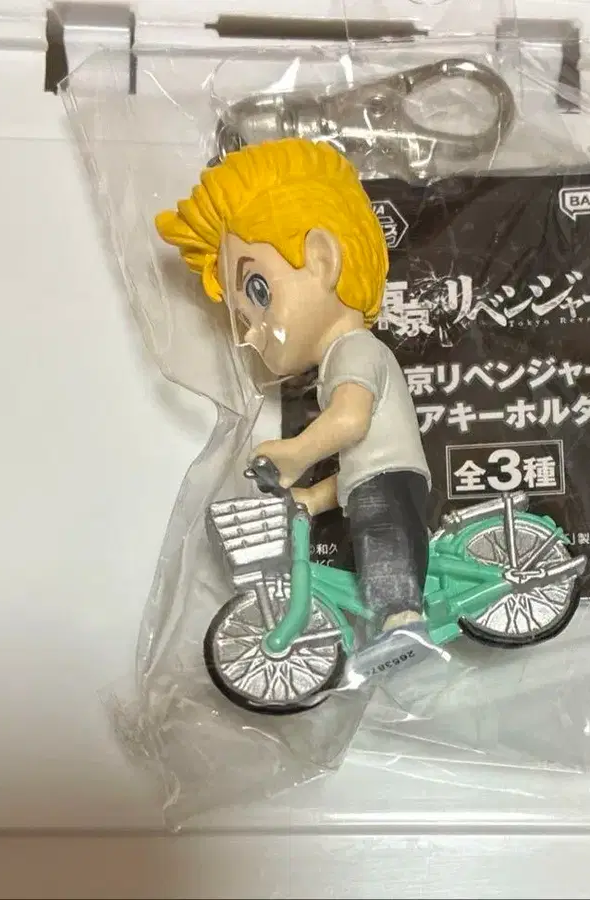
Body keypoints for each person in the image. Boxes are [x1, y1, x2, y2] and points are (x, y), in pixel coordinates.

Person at [154, 137, 432, 645]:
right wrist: (311, 498)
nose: (250, 334)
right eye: (242, 319)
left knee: (380, 539)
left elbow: (351, 422)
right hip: (376, 479)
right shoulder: (339, 361)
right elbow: (355, 465)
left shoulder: (354, 350)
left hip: (387, 483)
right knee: (370, 521)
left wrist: (295, 452)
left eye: (258, 293)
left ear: (322, 259)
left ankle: (403, 624)